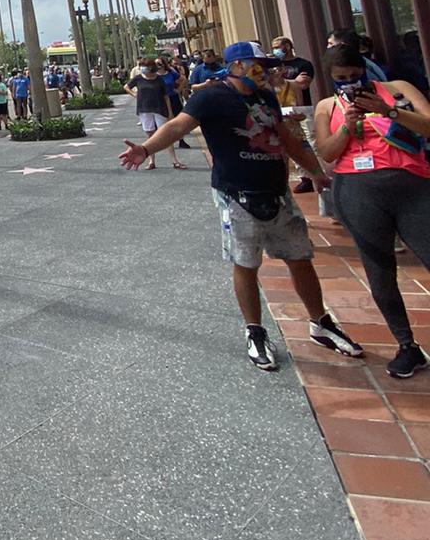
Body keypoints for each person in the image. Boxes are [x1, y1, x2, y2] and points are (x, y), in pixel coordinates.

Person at [120, 42, 363, 372]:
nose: (263, 71)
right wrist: (146, 149)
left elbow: (285, 138)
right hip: (236, 194)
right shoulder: (211, 96)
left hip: (277, 192)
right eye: (256, 64)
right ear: (235, 66)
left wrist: (315, 171)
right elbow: (178, 125)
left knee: (300, 258)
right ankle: (255, 331)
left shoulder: (265, 97)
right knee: (246, 263)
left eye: (265, 65)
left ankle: (320, 322)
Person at [313, 43, 430, 379]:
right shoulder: (327, 106)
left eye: (354, 75)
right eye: (341, 78)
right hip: (357, 190)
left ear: (364, 71)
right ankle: (406, 345)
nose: (349, 82)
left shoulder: (398, 89)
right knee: (380, 272)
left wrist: (388, 111)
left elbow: (428, 126)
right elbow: (327, 152)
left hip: (412, 185)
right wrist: (346, 127)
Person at [124, 60, 185, 170]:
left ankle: (174, 160)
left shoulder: (159, 79)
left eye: (145, 66)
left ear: (151, 67)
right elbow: (126, 87)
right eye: (141, 66)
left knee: (165, 134)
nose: (143, 68)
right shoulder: (138, 78)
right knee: (150, 135)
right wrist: (134, 94)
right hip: (144, 109)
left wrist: (170, 112)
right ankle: (151, 161)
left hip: (159, 108)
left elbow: (166, 96)